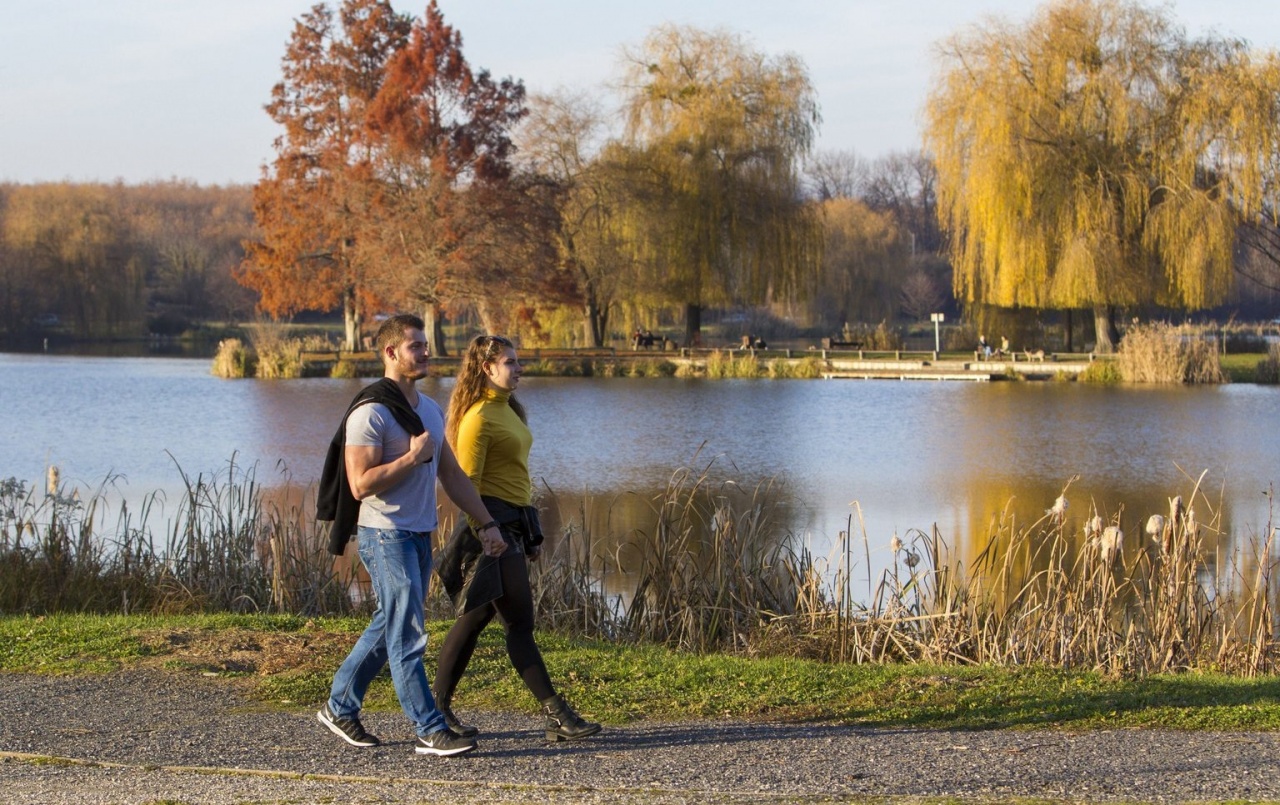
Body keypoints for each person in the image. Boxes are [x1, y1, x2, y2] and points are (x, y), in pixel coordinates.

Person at [315, 314, 506, 757]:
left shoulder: (430, 410)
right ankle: (429, 726)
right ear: (391, 353)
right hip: (384, 535)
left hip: (420, 533)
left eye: (425, 345)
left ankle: (339, 705)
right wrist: (410, 457)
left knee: (390, 624)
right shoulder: (370, 413)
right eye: (416, 346)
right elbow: (360, 484)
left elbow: (452, 475)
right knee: (408, 633)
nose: (425, 352)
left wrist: (486, 523)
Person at [434, 334, 602, 742]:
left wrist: (532, 533)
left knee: (475, 619)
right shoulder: (478, 418)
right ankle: (557, 715)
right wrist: (487, 531)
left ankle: (435, 710)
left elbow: (516, 480)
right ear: (487, 369)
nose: (518, 368)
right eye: (510, 362)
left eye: (517, 361)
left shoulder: (508, 409)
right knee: (519, 623)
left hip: (511, 525)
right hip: (490, 530)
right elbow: (466, 484)